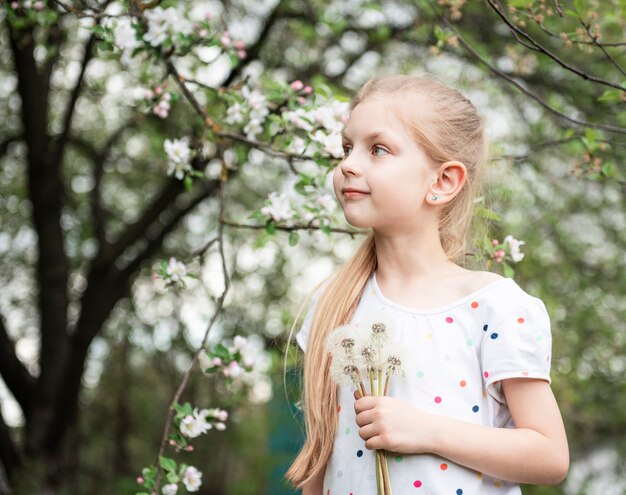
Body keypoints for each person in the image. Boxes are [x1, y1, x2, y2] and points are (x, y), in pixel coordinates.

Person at [284, 74, 569, 495]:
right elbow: (322, 457)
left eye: (377, 149)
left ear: (442, 182)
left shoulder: (494, 307)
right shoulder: (333, 304)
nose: (347, 164)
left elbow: (549, 456)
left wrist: (426, 430)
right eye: (348, 147)